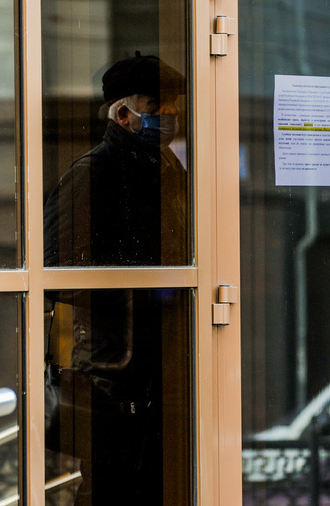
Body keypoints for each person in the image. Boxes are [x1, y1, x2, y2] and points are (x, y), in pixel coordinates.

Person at [43, 52, 188, 505]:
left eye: (173, 104)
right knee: (112, 489)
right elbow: (59, 270)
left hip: (165, 361)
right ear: (123, 114)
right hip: (113, 371)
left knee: (162, 486)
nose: (168, 115)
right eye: (155, 104)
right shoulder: (94, 172)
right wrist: (147, 292)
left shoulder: (168, 168)